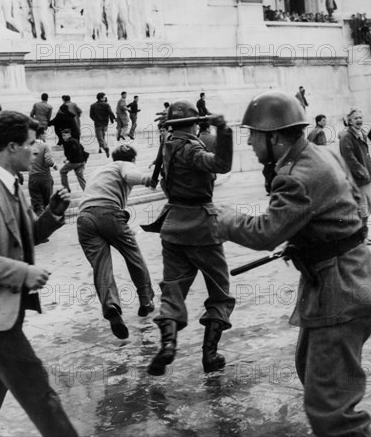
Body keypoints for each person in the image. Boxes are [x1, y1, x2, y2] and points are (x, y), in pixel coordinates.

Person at [216, 90, 371, 437]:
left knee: (331, 411)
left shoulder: (298, 175)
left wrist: (222, 220)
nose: (249, 143)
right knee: (311, 370)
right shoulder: (319, 155)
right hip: (343, 282)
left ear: (276, 138)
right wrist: (310, 240)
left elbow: (266, 231)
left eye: (253, 135)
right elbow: (351, 207)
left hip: (341, 293)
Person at [0, 111, 78, 437]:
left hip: (5, 309)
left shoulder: (11, 185)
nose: (36, 150)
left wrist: (52, 214)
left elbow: (23, 239)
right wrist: (23, 273)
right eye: (31, 143)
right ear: (11, 147)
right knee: (41, 395)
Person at [143, 100, 235, 376]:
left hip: (172, 226)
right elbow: (221, 164)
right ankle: (210, 354)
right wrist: (224, 130)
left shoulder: (167, 144)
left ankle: (169, 344)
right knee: (219, 291)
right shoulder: (192, 148)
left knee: (172, 289)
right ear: (195, 123)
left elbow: (161, 181)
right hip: (201, 228)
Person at [77, 145, 155, 339]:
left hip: (84, 218)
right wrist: (147, 179)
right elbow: (130, 175)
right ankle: (146, 300)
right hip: (109, 213)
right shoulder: (125, 164)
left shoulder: (100, 170)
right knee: (133, 256)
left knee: (101, 266)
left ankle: (111, 305)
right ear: (133, 160)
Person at [339, 108, 371, 245]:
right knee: (362, 209)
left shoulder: (361, 133)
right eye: (356, 118)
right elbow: (349, 159)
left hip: (365, 178)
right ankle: (361, 237)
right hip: (357, 179)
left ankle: (363, 235)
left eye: (360, 118)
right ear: (349, 121)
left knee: (367, 208)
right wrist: (363, 171)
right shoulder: (346, 137)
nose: (359, 120)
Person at [28, 127, 58, 216]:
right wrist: (54, 165)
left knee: (37, 205)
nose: (45, 135)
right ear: (41, 135)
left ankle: (38, 220)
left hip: (33, 178)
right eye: (44, 134)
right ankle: (45, 222)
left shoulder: (29, 147)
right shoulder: (44, 146)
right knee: (46, 203)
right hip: (45, 178)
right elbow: (48, 161)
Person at [89, 92, 116, 157]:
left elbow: (91, 115)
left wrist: (95, 120)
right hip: (105, 124)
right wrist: (114, 119)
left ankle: (105, 147)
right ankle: (104, 147)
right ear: (101, 98)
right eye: (104, 97)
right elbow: (111, 113)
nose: (105, 98)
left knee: (100, 138)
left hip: (97, 124)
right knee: (102, 136)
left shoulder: (93, 105)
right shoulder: (106, 105)